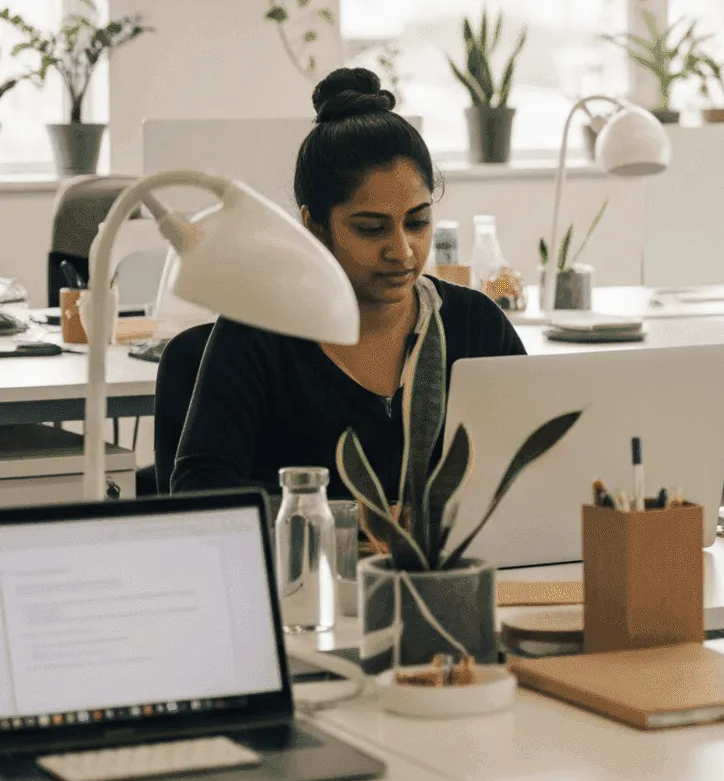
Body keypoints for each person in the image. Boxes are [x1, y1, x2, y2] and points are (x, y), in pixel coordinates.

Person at [171, 68, 525, 495]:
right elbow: (199, 488)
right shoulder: (259, 333)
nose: (403, 251)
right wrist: (353, 524)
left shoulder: (475, 325)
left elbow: (531, 468)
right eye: (371, 229)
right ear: (315, 225)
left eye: (417, 222)